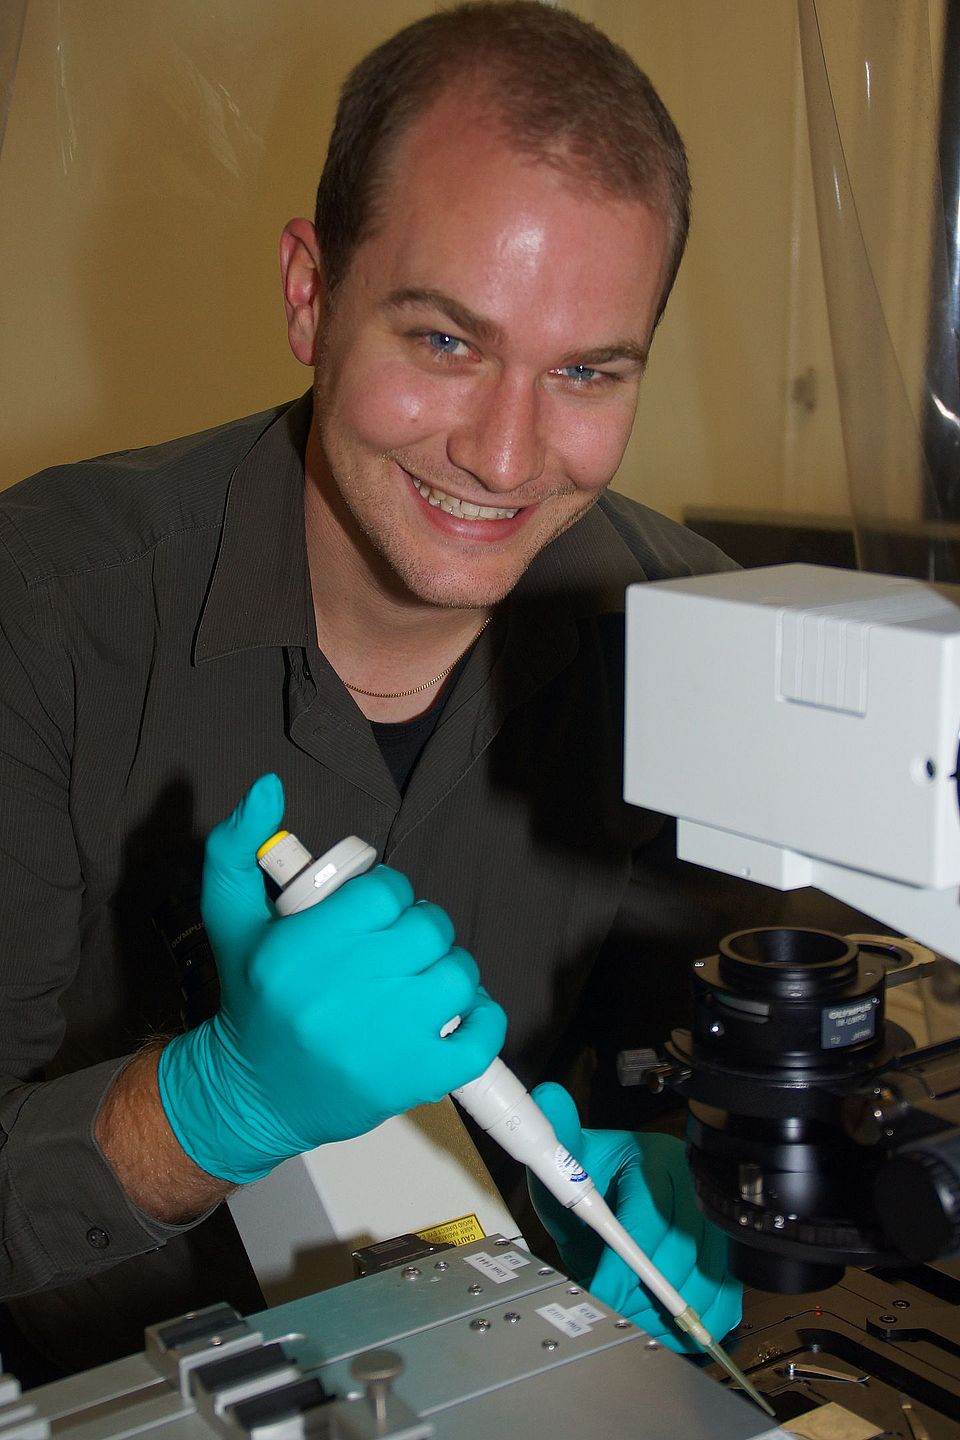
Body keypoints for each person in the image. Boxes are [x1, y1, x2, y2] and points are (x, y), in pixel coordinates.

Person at [0, 1, 749, 1379]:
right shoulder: (43, 611)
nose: (506, 456)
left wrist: (709, 1182)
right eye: (446, 342)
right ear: (311, 293)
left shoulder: (691, 641)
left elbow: (693, 1069)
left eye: (586, 370)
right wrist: (211, 1107)